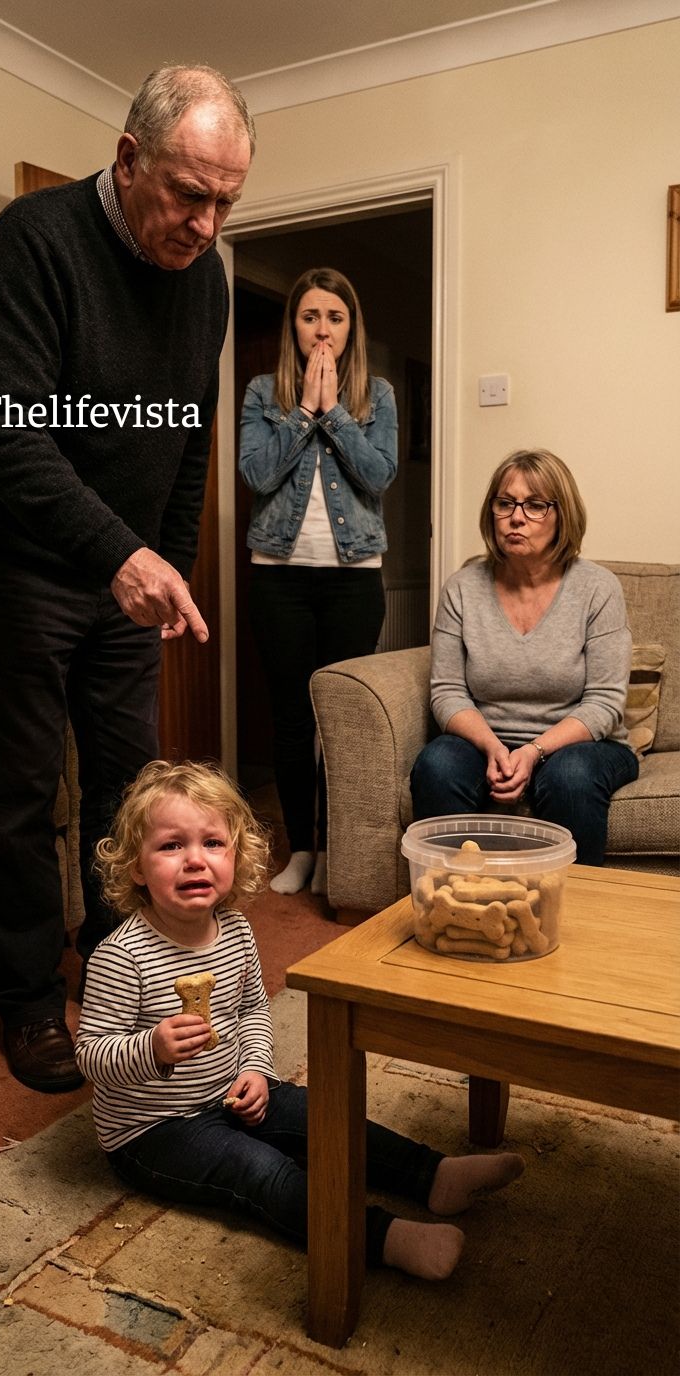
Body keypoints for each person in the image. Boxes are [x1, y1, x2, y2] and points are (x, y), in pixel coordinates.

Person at [0, 65, 255, 1092]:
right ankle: (30, 1000)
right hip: (16, 558)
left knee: (129, 788)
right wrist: (123, 554)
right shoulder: (33, 243)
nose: (206, 225)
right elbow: (6, 435)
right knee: (22, 789)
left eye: (227, 202)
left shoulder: (205, 280)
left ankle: (118, 973)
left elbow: (187, 436)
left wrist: (169, 564)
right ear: (128, 159)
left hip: (124, 567)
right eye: (189, 194)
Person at [75, 758, 524, 1281]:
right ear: (136, 866)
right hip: (153, 1130)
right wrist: (150, 1047)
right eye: (171, 846)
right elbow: (90, 1055)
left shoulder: (236, 931)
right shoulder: (121, 956)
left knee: (327, 1116)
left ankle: (435, 1175)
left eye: (213, 843)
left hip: (233, 1092)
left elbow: (251, 1010)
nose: (195, 860)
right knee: (260, 1170)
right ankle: (383, 1238)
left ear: (237, 855)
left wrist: (255, 1070)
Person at [239, 267, 398, 896]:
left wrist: (334, 411)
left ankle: (336, 850)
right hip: (277, 579)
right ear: (295, 327)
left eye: (335, 317)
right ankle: (301, 850)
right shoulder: (263, 392)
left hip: (352, 581)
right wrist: (304, 408)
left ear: (351, 326)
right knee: (290, 720)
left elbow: (379, 475)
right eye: (310, 317)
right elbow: (256, 475)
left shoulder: (377, 394)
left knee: (341, 720)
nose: (323, 330)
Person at [410, 449, 639, 864]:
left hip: (581, 746)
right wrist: (493, 747)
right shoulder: (462, 588)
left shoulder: (598, 588)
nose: (516, 518)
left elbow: (605, 702)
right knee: (437, 764)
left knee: (569, 776)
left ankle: (574, 899)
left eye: (534, 505)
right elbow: (447, 692)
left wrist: (533, 751)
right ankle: (454, 894)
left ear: (562, 515)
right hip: (486, 740)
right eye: (505, 503)